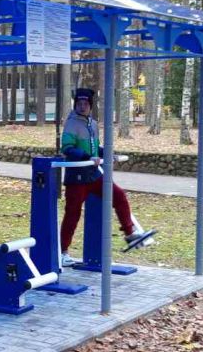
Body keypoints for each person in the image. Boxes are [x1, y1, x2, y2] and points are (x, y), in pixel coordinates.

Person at [58, 88, 154, 267]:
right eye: (79, 104)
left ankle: (129, 233)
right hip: (77, 177)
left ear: (91, 106)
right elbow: (67, 148)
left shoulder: (92, 124)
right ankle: (62, 252)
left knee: (118, 195)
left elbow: (95, 147)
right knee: (72, 214)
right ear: (75, 104)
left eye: (85, 104)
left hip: (93, 175)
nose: (82, 107)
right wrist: (88, 157)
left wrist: (108, 153)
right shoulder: (71, 124)